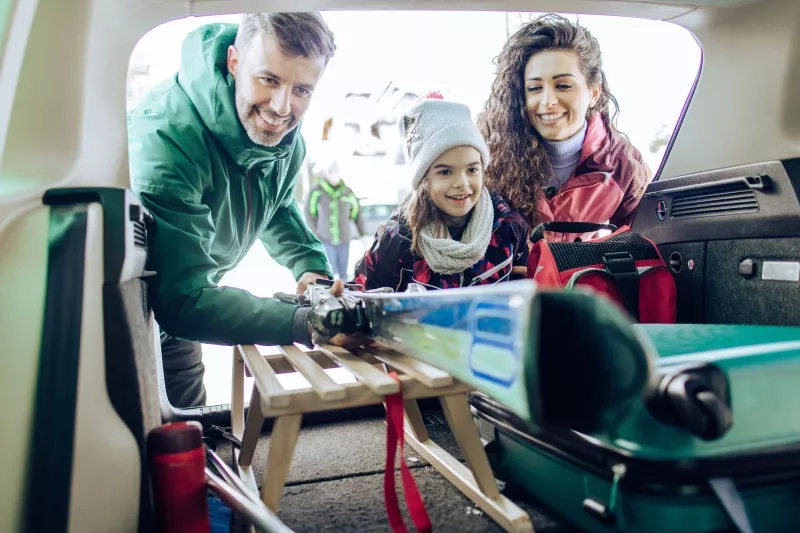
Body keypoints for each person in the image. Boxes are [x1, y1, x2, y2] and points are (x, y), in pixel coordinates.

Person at [128, 13, 339, 408]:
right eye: (269, 79)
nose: (282, 107)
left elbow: (274, 203)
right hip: (135, 319)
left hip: (178, 328)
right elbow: (183, 299)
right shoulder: (166, 139)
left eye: (302, 90)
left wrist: (310, 268)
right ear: (234, 62)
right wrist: (302, 322)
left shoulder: (284, 139)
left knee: (193, 433)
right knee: (144, 453)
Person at [477, 14, 651, 242]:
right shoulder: (488, 156)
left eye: (563, 86)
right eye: (535, 88)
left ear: (594, 92)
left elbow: (638, 246)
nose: (548, 100)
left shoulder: (623, 165)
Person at [353, 93, 530, 292]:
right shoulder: (397, 238)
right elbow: (363, 295)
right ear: (423, 180)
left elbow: (523, 290)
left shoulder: (508, 225)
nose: (462, 184)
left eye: (472, 170)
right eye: (445, 172)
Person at [305, 158, 366, 279]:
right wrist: (315, 234)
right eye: (331, 172)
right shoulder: (317, 190)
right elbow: (309, 214)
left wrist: (362, 234)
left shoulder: (347, 192)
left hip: (344, 239)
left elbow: (356, 214)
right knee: (329, 273)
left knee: (343, 274)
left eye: (337, 172)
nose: (334, 175)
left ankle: (343, 294)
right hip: (325, 239)